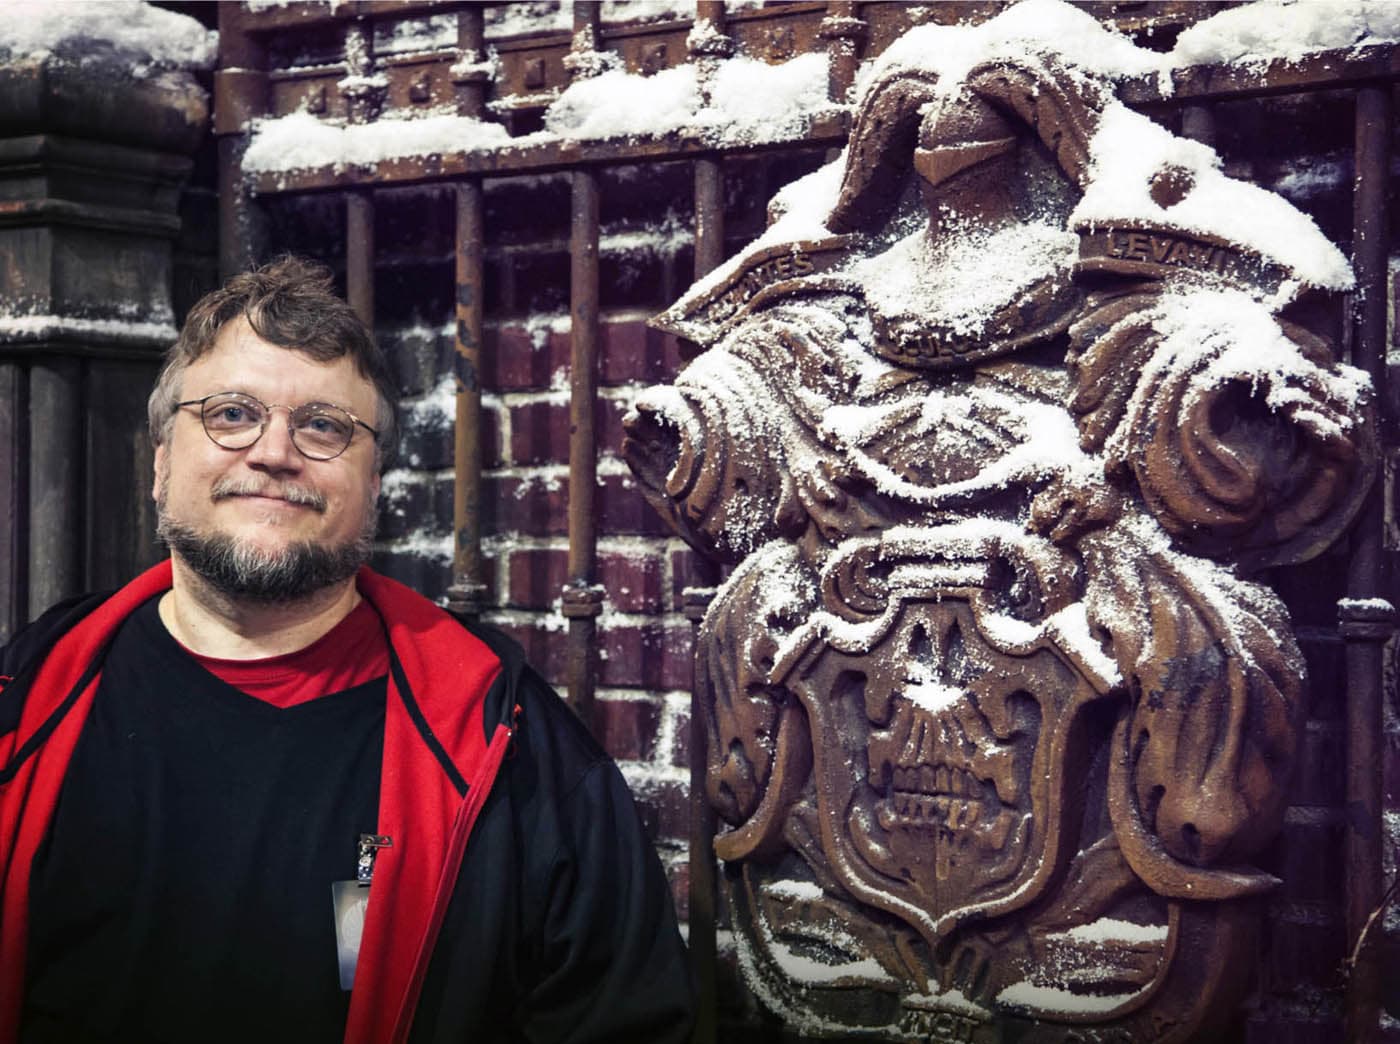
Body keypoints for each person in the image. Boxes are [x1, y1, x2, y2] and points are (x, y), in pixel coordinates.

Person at [0, 257, 695, 1044]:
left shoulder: (509, 750)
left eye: (324, 425)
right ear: (160, 461)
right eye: (231, 414)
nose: (274, 453)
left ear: (374, 483)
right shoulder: (25, 699)